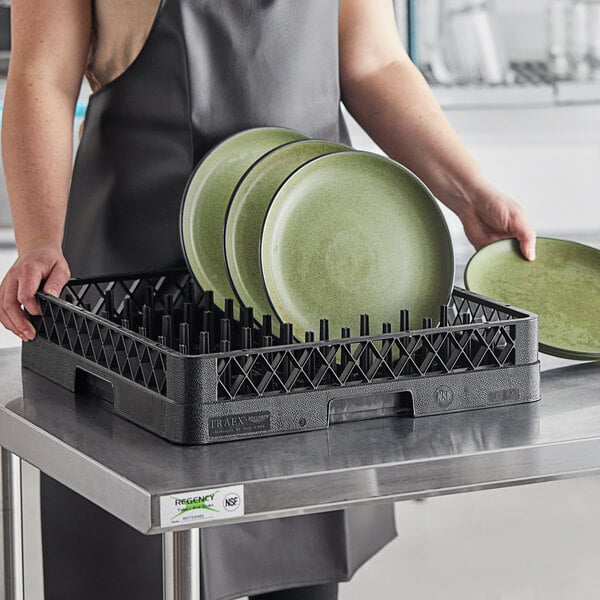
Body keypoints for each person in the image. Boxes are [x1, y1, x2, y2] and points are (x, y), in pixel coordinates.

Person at [0, 1, 536, 599]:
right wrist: (41, 238)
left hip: (304, 271)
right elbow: (41, 75)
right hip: (136, 286)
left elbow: (373, 63)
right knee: (132, 560)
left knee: (298, 548)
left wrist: (470, 194)